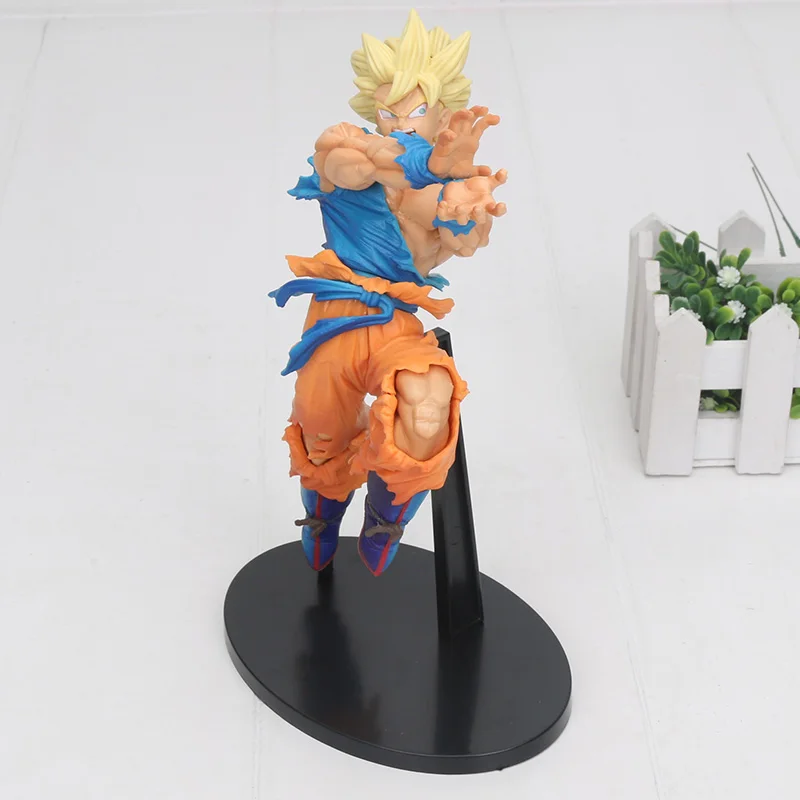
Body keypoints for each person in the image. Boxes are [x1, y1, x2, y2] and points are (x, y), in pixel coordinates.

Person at [270, 8, 507, 576]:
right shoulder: (344, 145)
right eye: (387, 111)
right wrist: (431, 162)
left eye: (417, 111)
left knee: (427, 402)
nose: (399, 122)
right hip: (333, 322)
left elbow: (464, 237)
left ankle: (385, 517)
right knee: (321, 433)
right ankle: (323, 517)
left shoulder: (442, 187)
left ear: (443, 112)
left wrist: (469, 211)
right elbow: (364, 167)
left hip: (396, 324)